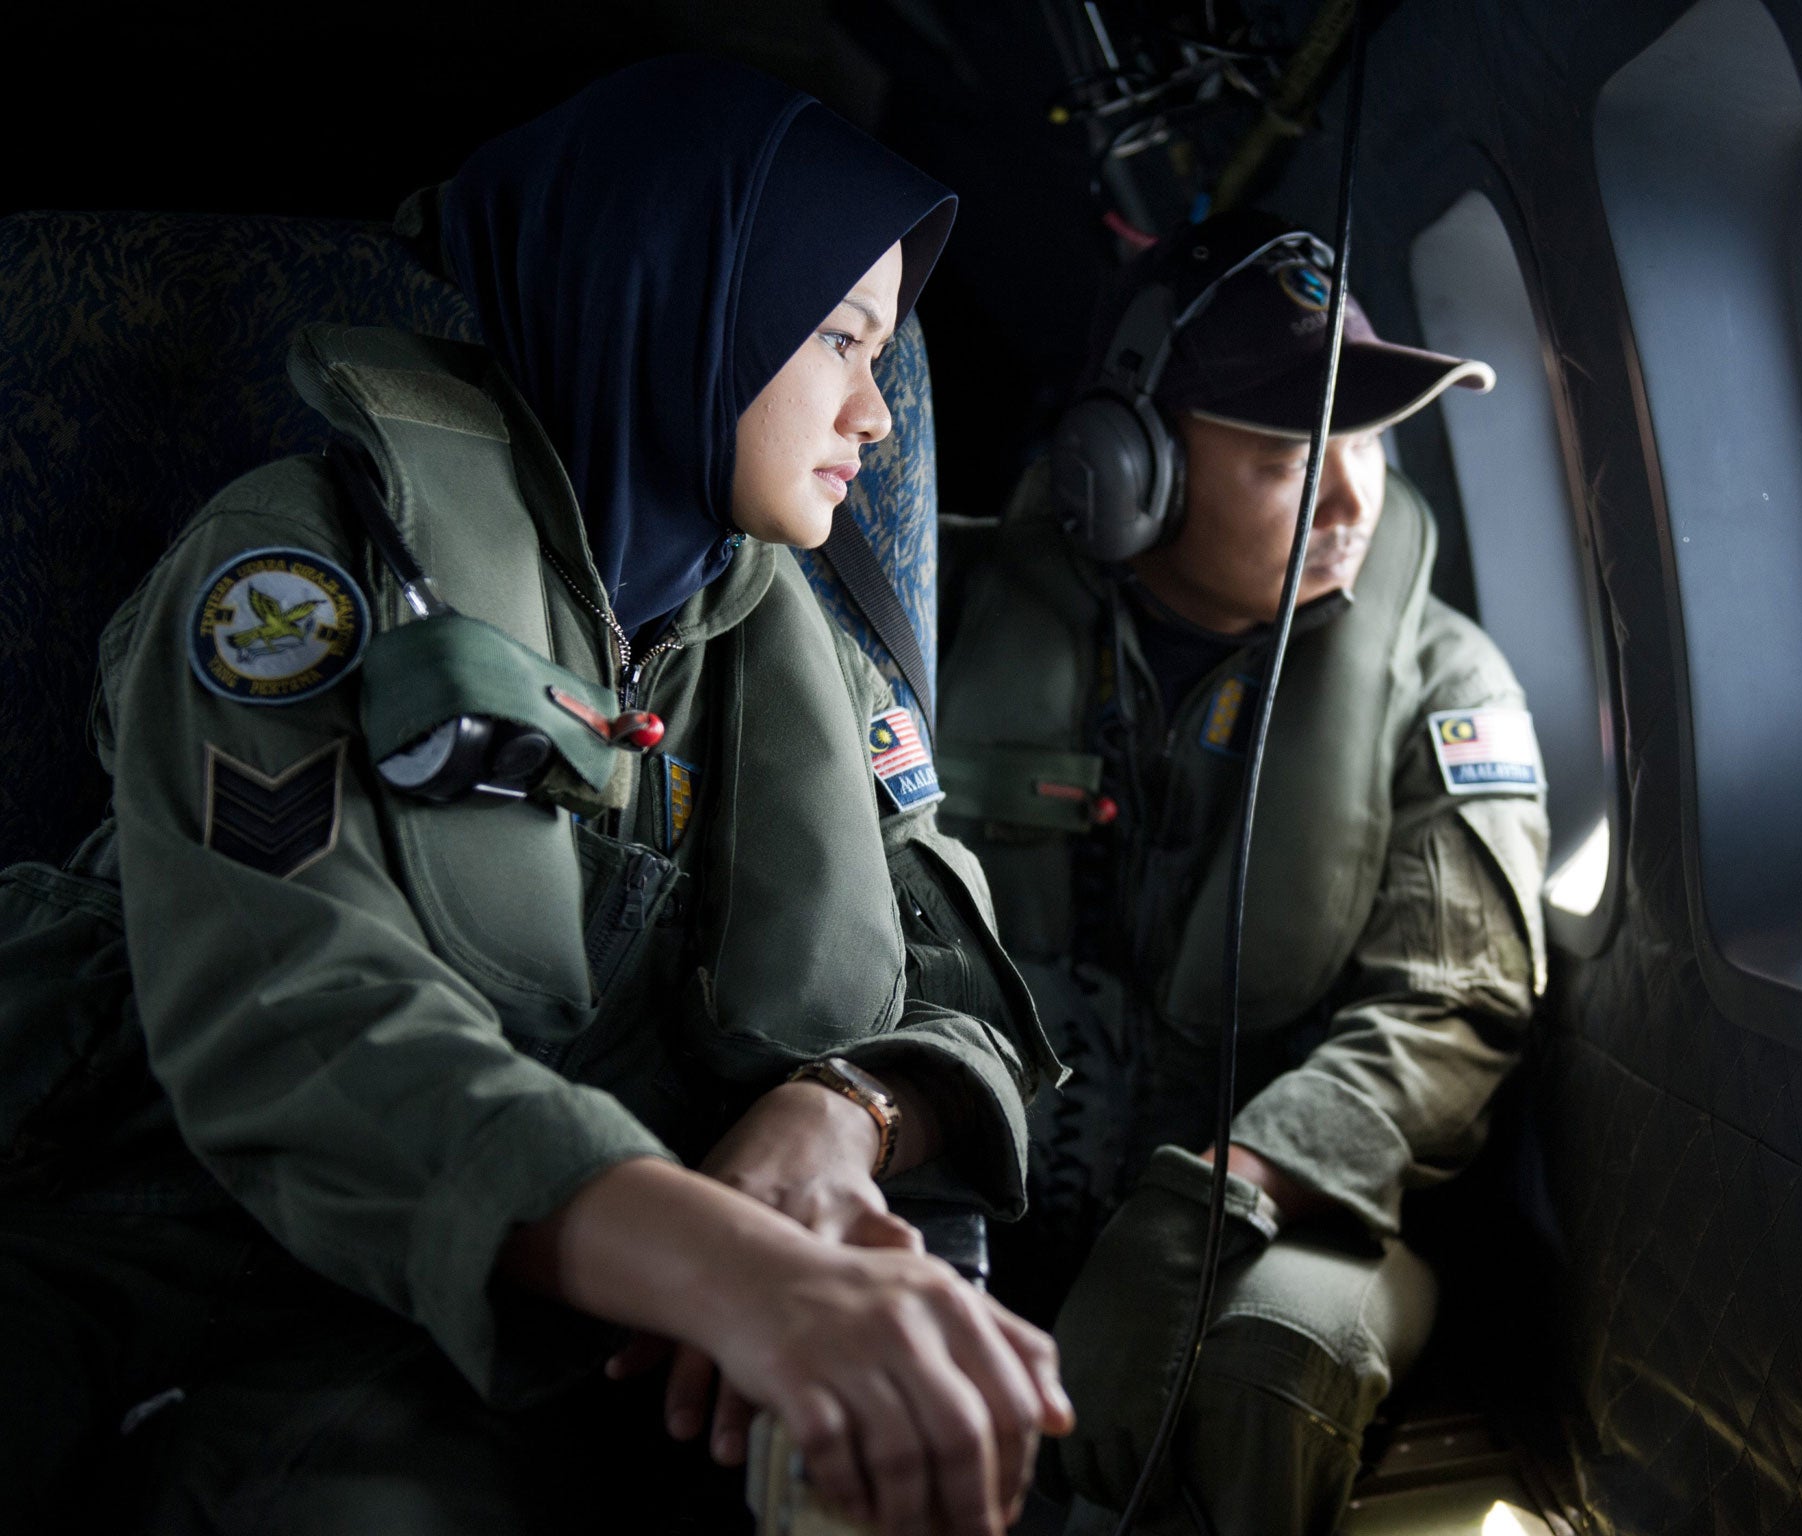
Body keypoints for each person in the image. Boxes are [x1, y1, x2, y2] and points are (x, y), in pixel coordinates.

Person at [0, 56, 1071, 1536]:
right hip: (214, 1264)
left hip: (587, 1290)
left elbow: (967, 986)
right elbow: (297, 1010)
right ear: (678, 303)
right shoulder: (305, 573)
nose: (879, 417)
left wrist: (839, 1120)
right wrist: (734, 1270)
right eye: (839, 339)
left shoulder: (799, 645)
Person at [934, 212, 1549, 1536]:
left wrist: (1222, 1192)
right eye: (1286, 455)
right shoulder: (946, 615)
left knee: (1273, 1368)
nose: (1350, 498)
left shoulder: (1444, 686)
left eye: (1368, 441)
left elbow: (1448, 1015)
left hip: (1298, 1206)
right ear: (1131, 465)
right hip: (994, 1151)